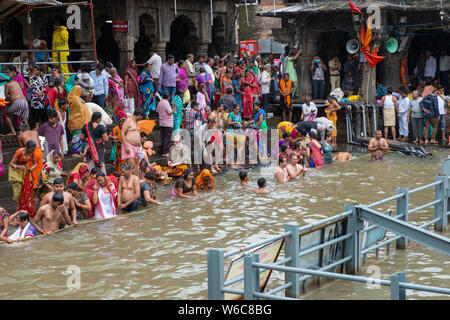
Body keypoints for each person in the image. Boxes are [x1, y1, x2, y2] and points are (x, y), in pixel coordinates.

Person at [9, 141, 37, 211]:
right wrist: (18, 167)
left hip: (25, 170)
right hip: (15, 170)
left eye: (34, 149)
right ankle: (18, 207)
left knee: (26, 188)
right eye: (32, 149)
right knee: (18, 190)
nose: (33, 151)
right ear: (27, 148)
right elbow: (11, 164)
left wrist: (32, 168)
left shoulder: (32, 153)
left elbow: (35, 163)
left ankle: (25, 206)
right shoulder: (19, 152)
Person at [17, 123, 44, 192]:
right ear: (28, 128)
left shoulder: (20, 135)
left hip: (31, 152)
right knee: (38, 172)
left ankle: (30, 191)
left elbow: (22, 148)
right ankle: (37, 192)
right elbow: (40, 143)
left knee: (30, 172)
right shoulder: (35, 132)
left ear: (21, 129)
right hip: (39, 151)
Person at [67, 85, 91, 157]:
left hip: (76, 120)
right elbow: (81, 109)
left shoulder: (74, 98)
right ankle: (75, 153)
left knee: (79, 137)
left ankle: (79, 151)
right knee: (76, 137)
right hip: (77, 120)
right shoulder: (76, 99)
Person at [156, 92, 177, 157]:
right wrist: (175, 108)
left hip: (162, 122)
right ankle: (165, 152)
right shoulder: (166, 103)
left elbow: (157, 110)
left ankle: (163, 151)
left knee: (163, 137)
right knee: (167, 138)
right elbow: (170, 112)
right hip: (167, 123)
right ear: (168, 97)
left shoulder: (160, 102)